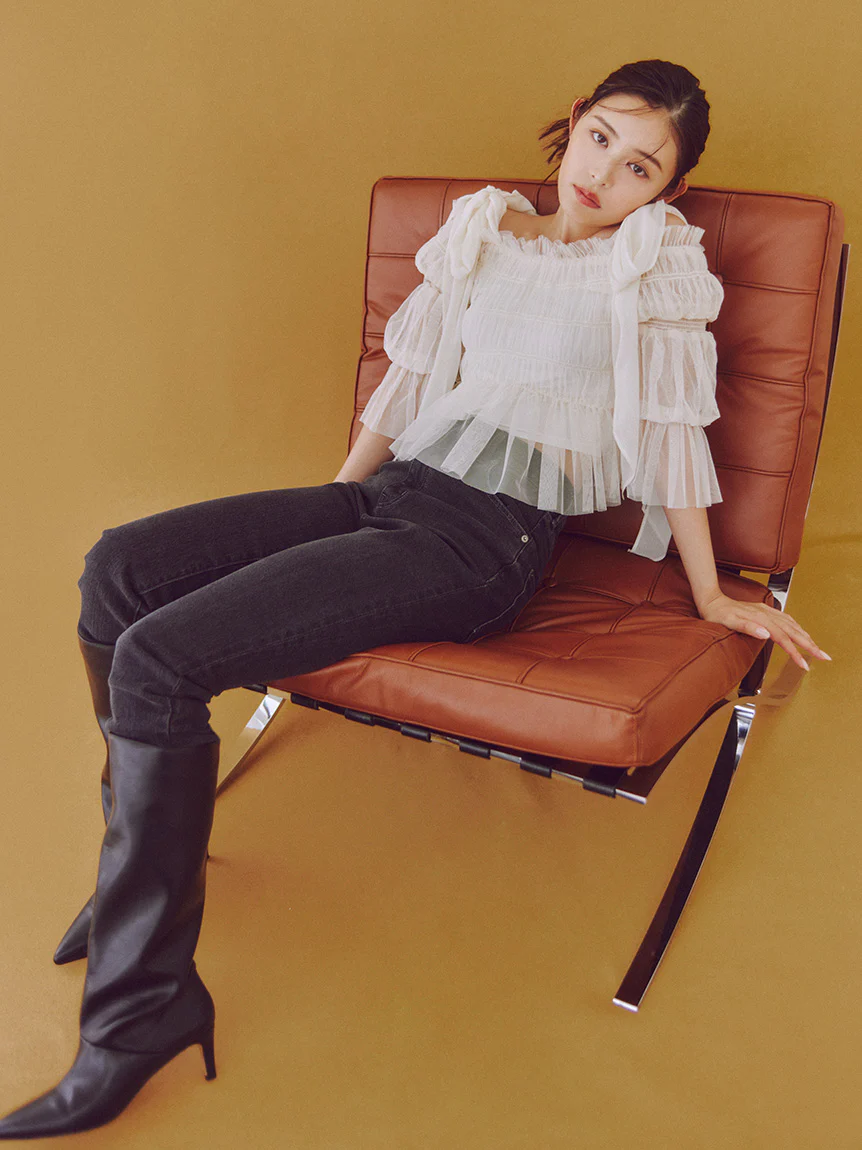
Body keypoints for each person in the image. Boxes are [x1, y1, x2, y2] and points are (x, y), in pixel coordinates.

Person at [0, 57, 830, 1139]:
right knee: (117, 568)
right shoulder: (485, 226)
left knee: (160, 660)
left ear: (666, 192)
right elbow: (407, 387)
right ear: (574, 121)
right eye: (601, 139)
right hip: (389, 496)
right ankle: (138, 879)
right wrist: (326, 512)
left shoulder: (651, 263)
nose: (604, 174)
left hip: (483, 542)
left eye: (640, 168)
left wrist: (713, 593)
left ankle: (140, 1010)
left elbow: (674, 431)